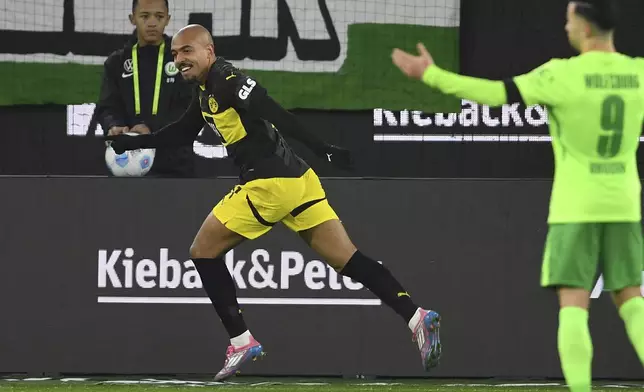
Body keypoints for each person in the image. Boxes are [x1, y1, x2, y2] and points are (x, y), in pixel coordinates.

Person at [105, 24, 442, 381]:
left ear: (209, 50)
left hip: (268, 184)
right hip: (299, 182)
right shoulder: (204, 92)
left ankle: (241, 340)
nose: (179, 59)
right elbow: (182, 133)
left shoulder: (228, 79)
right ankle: (416, 316)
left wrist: (323, 147)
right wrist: (134, 143)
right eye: (174, 54)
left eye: (186, 51)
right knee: (350, 260)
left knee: (202, 250)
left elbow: (274, 111)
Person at [392, 1, 644, 391]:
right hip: (624, 204)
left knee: (574, 307)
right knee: (632, 302)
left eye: (569, 19)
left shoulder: (561, 74)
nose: (565, 27)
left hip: (575, 207)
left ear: (586, 27)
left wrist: (433, 75)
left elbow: (495, 94)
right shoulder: (638, 72)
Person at [92, 0, 196, 178]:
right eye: (145, 16)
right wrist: (113, 126)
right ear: (133, 19)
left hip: (174, 165)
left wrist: (152, 129)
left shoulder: (183, 61)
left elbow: (188, 108)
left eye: (159, 16)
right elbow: (108, 106)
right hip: (126, 162)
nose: (152, 23)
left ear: (168, 19)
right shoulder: (116, 63)